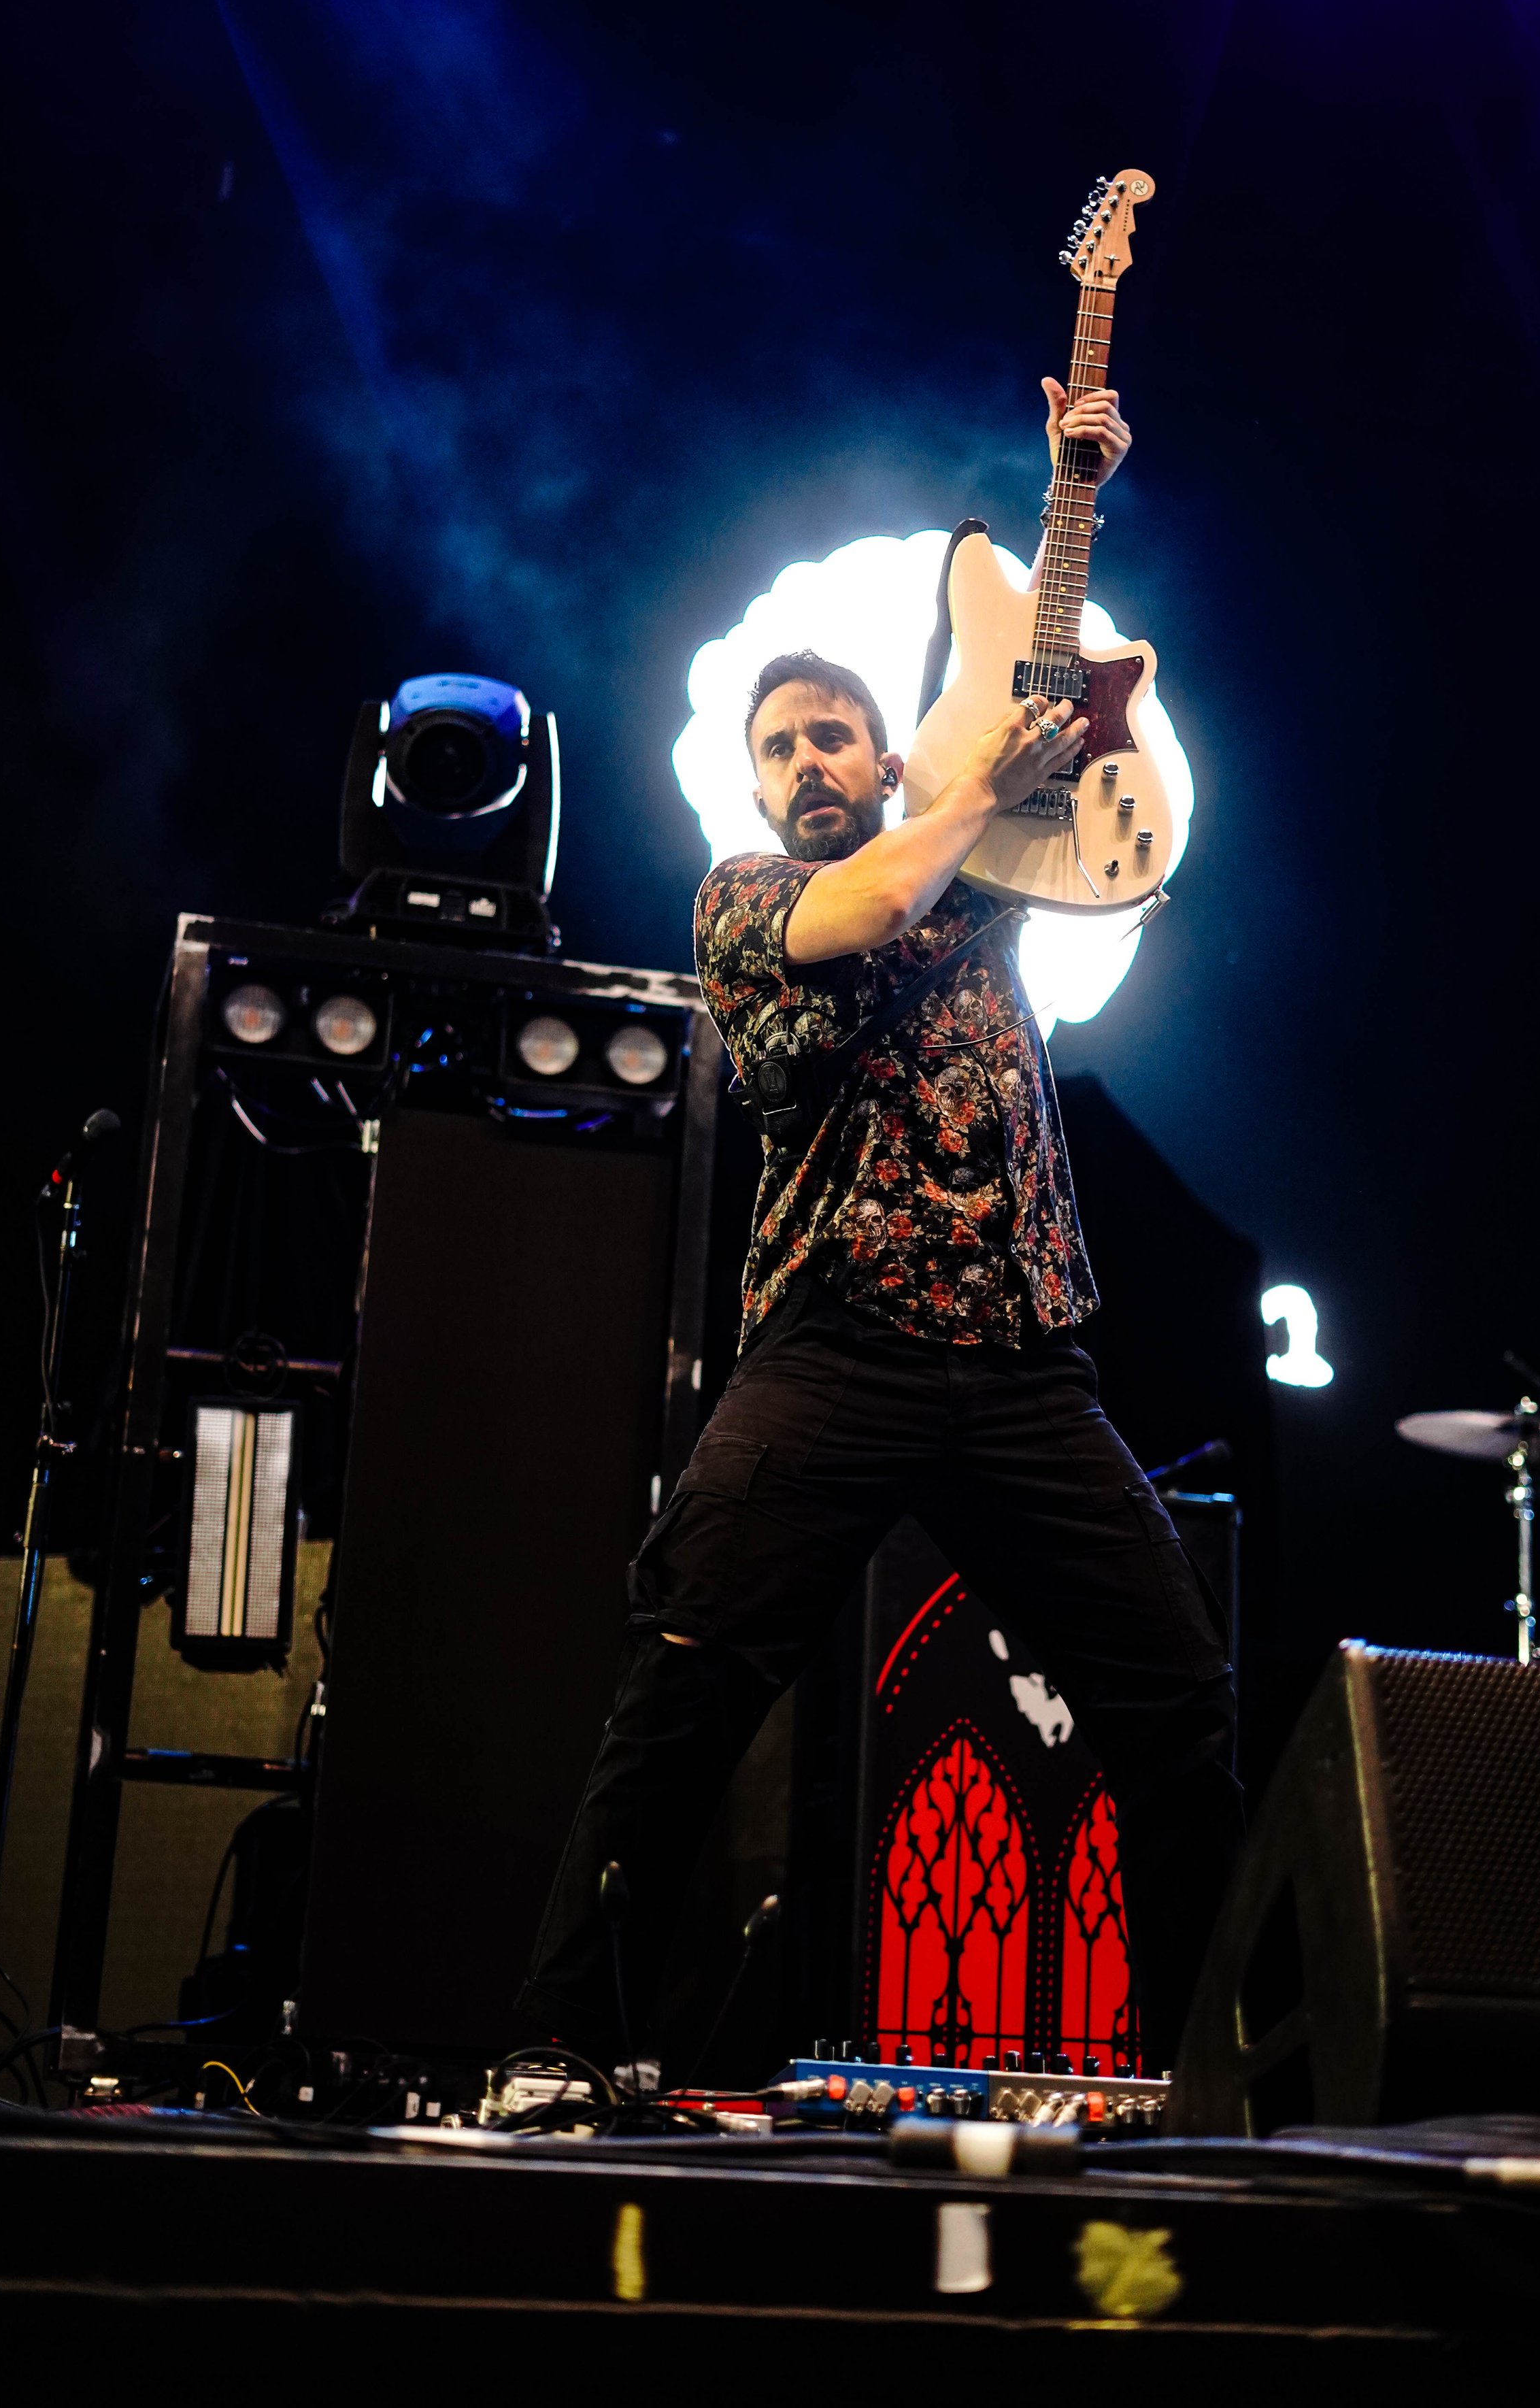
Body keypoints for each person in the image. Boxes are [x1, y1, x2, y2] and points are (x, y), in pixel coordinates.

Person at [518, 378, 1242, 2075]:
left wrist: (1069, 501)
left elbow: (1048, 692)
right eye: (776, 751)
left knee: (1176, 1703)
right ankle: (558, 2052)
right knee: (684, 1682)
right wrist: (962, 794)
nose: (801, 765)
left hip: (1016, 1364)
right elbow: (874, 903)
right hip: (834, 1346)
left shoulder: (981, 858)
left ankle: (1206, 2083)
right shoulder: (756, 901)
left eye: (827, 734)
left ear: (880, 743)